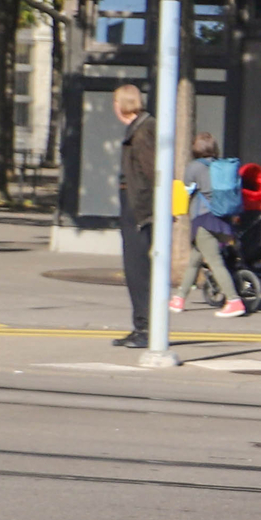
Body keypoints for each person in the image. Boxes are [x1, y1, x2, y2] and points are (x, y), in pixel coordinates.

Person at [177, 132, 247, 318]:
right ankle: (179, 298)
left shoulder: (194, 167)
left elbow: (184, 191)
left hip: (203, 220)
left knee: (215, 262)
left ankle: (234, 301)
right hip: (223, 221)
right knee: (195, 259)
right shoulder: (220, 166)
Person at [111, 84, 155, 348]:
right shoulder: (140, 128)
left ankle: (146, 329)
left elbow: (152, 173)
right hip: (136, 206)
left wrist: (148, 211)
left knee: (137, 270)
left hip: (139, 209)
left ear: (121, 105)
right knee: (135, 269)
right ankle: (142, 325)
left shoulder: (143, 131)